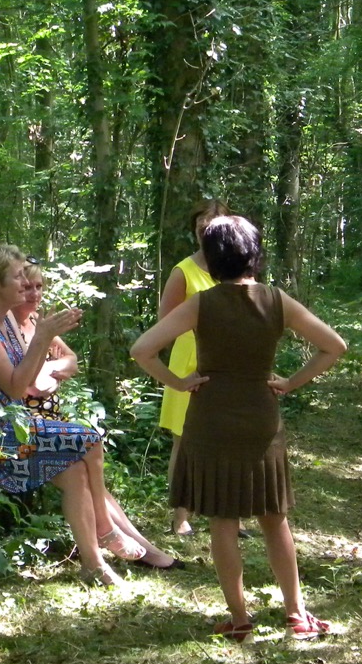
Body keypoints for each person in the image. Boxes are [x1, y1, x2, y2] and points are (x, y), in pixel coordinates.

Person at [131, 216, 347, 641]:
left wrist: (180, 382)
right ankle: (297, 614)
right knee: (274, 517)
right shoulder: (276, 300)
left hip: (209, 416)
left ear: (211, 258)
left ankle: (240, 619)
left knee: (222, 520)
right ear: (254, 253)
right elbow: (333, 346)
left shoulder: (203, 303)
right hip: (261, 418)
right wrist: (290, 383)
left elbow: (142, 349)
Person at [0, 244, 145, 587]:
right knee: (89, 438)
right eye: (18, 276)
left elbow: (40, 372)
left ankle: (93, 564)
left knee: (75, 473)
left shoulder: (6, 319)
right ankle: (104, 527)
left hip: (18, 424)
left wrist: (46, 343)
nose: (26, 282)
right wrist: (42, 338)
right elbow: (15, 387)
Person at [7, 258, 184, 571]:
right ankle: (113, 537)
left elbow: (71, 360)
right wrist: (43, 374)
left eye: (38, 287)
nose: (33, 293)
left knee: (87, 476)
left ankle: (138, 548)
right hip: (25, 430)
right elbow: (25, 386)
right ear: (13, 288)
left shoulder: (36, 322)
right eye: (26, 287)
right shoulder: (5, 328)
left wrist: (50, 368)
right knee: (88, 449)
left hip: (52, 423)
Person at [157, 200, 232, 537]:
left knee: (228, 441)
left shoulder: (236, 268)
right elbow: (164, 324)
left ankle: (227, 514)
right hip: (189, 363)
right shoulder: (183, 271)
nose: (205, 228)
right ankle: (180, 517)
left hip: (229, 365)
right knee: (185, 443)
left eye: (212, 222)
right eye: (200, 223)